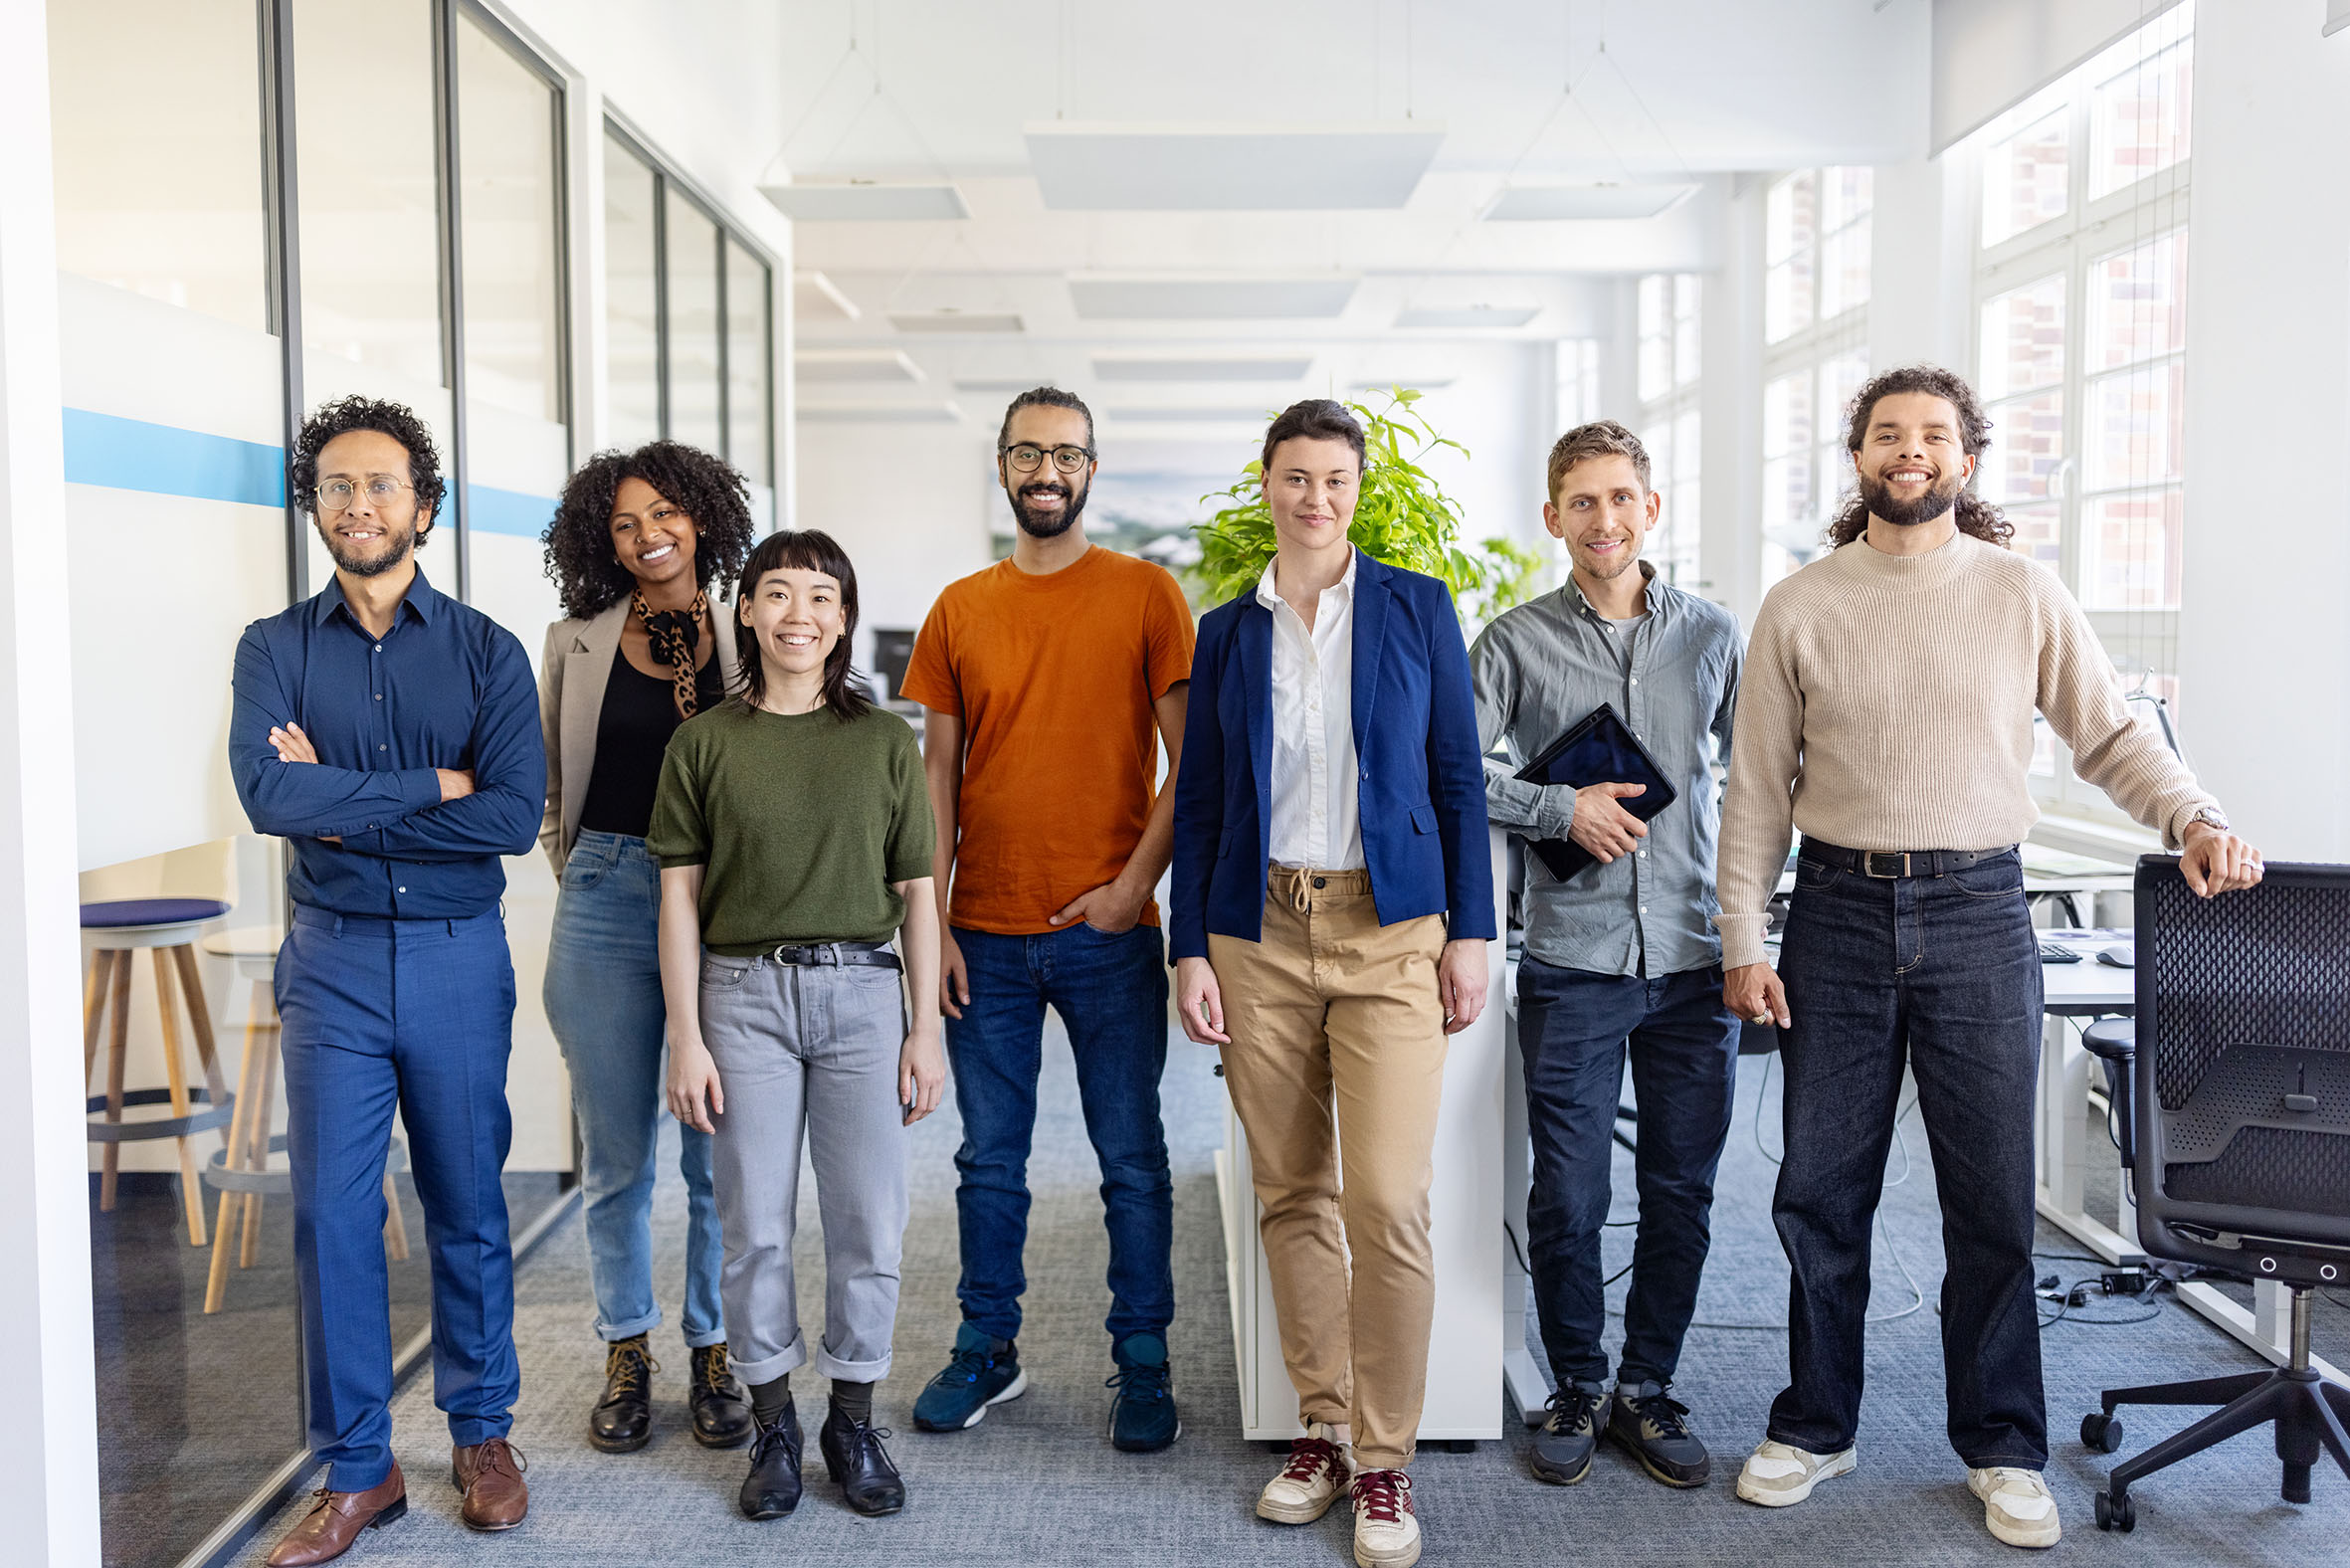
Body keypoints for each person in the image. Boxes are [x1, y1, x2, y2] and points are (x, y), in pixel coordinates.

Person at [1716, 365, 2265, 1550]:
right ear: (1857, 456)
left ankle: (2003, 1442)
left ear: (1964, 458)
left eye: (1930, 436)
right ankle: (1815, 1423)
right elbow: (1756, 790)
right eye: (1884, 435)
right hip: (1837, 919)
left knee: (1988, 1203)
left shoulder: (2020, 591)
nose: (1906, 453)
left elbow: (2112, 733)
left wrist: (2194, 818)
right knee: (1819, 1191)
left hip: (1976, 914)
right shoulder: (1799, 603)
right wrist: (1742, 937)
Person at [1172, 398, 1494, 1568]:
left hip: (1389, 928)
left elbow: (1457, 776)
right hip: (1259, 929)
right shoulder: (1227, 630)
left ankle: (1386, 1459)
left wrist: (1470, 933)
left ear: (1358, 490)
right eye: (1296, 476)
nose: (1316, 497)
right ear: (1267, 484)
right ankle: (1319, 1427)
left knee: (1389, 1201)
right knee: (1291, 1188)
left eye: (1335, 479)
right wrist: (1190, 946)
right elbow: (1200, 800)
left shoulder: (1414, 605)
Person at [230, 397, 544, 1564]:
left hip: (461, 959)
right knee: (330, 1215)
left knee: (466, 1202)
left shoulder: (486, 650)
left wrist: (349, 809)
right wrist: (434, 788)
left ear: (425, 504)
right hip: (336, 966)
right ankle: (358, 1469)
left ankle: (480, 1433)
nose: (360, 505)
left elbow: (513, 815)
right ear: (314, 505)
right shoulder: (273, 649)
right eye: (337, 486)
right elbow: (272, 801)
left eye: (382, 485)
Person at [898, 386, 1193, 1453]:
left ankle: (1143, 1356)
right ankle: (988, 1344)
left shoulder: (1147, 594)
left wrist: (1129, 889)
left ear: (1090, 470)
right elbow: (934, 778)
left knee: (1131, 1157)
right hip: (982, 932)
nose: (1046, 470)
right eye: (1028, 452)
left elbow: (1188, 761)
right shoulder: (958, 607)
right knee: (989, 1160)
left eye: (1065, 453)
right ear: (1003, 464)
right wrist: (928, 931)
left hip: (1108, 935)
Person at [1471, 420, 1743, 1490]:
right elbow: (1445, 763)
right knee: (1569, 1195)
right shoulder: (1511, 641)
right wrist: (1554, 804)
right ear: (1552, 518)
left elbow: (1764, 781)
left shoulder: (1714, 636)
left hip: (1690, 961)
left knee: (1681, 1188)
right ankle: (1576, 1383)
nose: (1603, 519)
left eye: (1621, 497)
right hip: (1574, 963)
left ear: (1651, 508)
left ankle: (1649, 1385)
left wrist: (1755, 929)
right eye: (1581, 501)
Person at [653, 528, 942, 1521]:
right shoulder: (703, 743)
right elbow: (680, 900)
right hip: (742, 999)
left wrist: (924, 1028)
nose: (798, 616)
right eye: (777, 595)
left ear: (844, 618)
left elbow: (917, 892)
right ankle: (773, 1421)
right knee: (752, 1225)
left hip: (863, 995)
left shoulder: (882, 741)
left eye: (820, 597)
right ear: (745, 611)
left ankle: (851, 1418)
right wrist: (684, 1034)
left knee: (869, 1218)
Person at [537, 443, 757, 1456]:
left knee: (717, 1148)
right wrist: (578, 864)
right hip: (606, 892)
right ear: (602, 538)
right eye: (624, 523)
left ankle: (715, 1347)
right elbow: (550, 777)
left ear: (702, 517)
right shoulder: (574, 639)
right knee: (617, 1153)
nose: (647, 535)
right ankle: (627, 1347)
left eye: (664, 512)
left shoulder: (749, 628)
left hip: (730, 898)